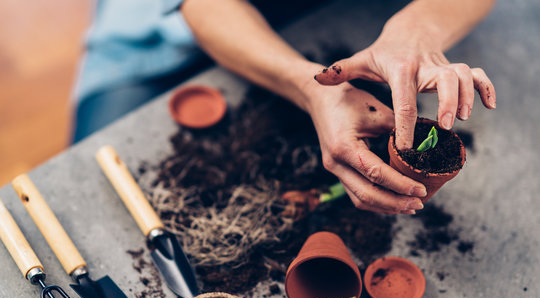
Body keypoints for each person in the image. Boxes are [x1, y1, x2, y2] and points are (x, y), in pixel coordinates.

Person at [74, 0, 496, 214]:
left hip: (353, 13)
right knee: (95, 178)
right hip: (181, 31)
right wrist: (313, 89)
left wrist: (418, 29)